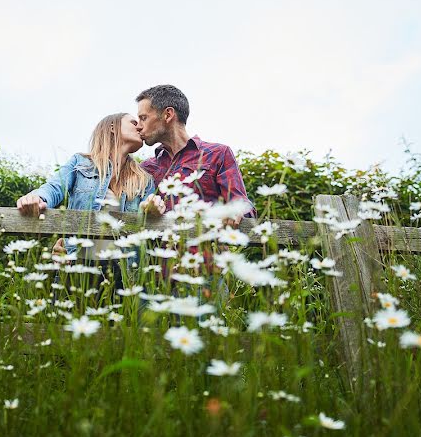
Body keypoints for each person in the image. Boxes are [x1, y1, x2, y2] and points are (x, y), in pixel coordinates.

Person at [16, 112, 166, 290]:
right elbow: (54, 187)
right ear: (112, 127)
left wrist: (152, 208)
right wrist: (37, 198)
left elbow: (146, 217)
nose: (139, 126)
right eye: (133, 122)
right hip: (78, 266)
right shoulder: (80, 163)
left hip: (122, 273)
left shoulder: (144, 179)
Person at [135, 84, 256, 223]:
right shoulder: (146, 168)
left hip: (205, 243)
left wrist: (236, 212)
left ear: (168, 115)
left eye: (143, 118)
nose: (138, 126)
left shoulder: (218, 154)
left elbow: (243, 208)